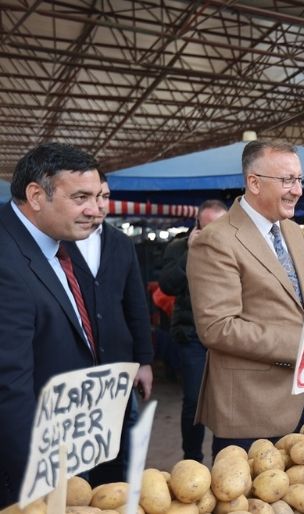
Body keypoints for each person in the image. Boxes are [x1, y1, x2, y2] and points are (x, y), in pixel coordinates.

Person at [187, 141, 304, 455]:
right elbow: (217, 327)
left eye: (300, 179)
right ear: (254, 183)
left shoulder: (295, 232)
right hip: (251, 409)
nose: (297, 190)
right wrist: (303, 344)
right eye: (287, 180)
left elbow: (301, 301)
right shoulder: (216, 240)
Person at [0, 143, 102, 505]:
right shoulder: (5, 257)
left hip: (67, 444)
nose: (95, 210)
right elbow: (7, 385)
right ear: (36, 195)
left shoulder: (59, 241)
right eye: (80, 197)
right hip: (26, 471)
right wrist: (40, 484)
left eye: (97, 196)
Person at [64, 173, 154, 484]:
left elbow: (136, 304)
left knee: (117, 449)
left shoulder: (121, 242)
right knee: (74, 459)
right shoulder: (58, 241)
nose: (99, 204)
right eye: (90, 197)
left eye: (104, 196)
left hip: (118, 366)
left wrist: (144, 361)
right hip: (73, 370)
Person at [158, 199, 228, 462]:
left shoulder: (235, 247)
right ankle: (192, 458)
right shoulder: (179, 247)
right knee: (194, 401)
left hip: (227, 335)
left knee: (226, 401)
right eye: (208, 227)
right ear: (197, 225)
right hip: (192, 335)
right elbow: (167, 286)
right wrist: (191, 251)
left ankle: (223, 458)